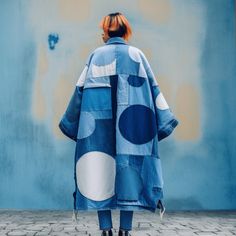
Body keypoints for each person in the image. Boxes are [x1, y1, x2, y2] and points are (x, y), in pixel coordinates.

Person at [59, 12, 179, 236]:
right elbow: (154, 90)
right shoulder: (138, 55)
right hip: (133, 125)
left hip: (97, 126)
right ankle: (126, 230)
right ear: (126, 32)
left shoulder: (95, 55)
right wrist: (160, 124)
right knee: (130, 171)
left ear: (105, 32)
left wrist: (71, 123)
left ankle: (105, 230)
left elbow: (79, 91)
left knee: (97, 169)